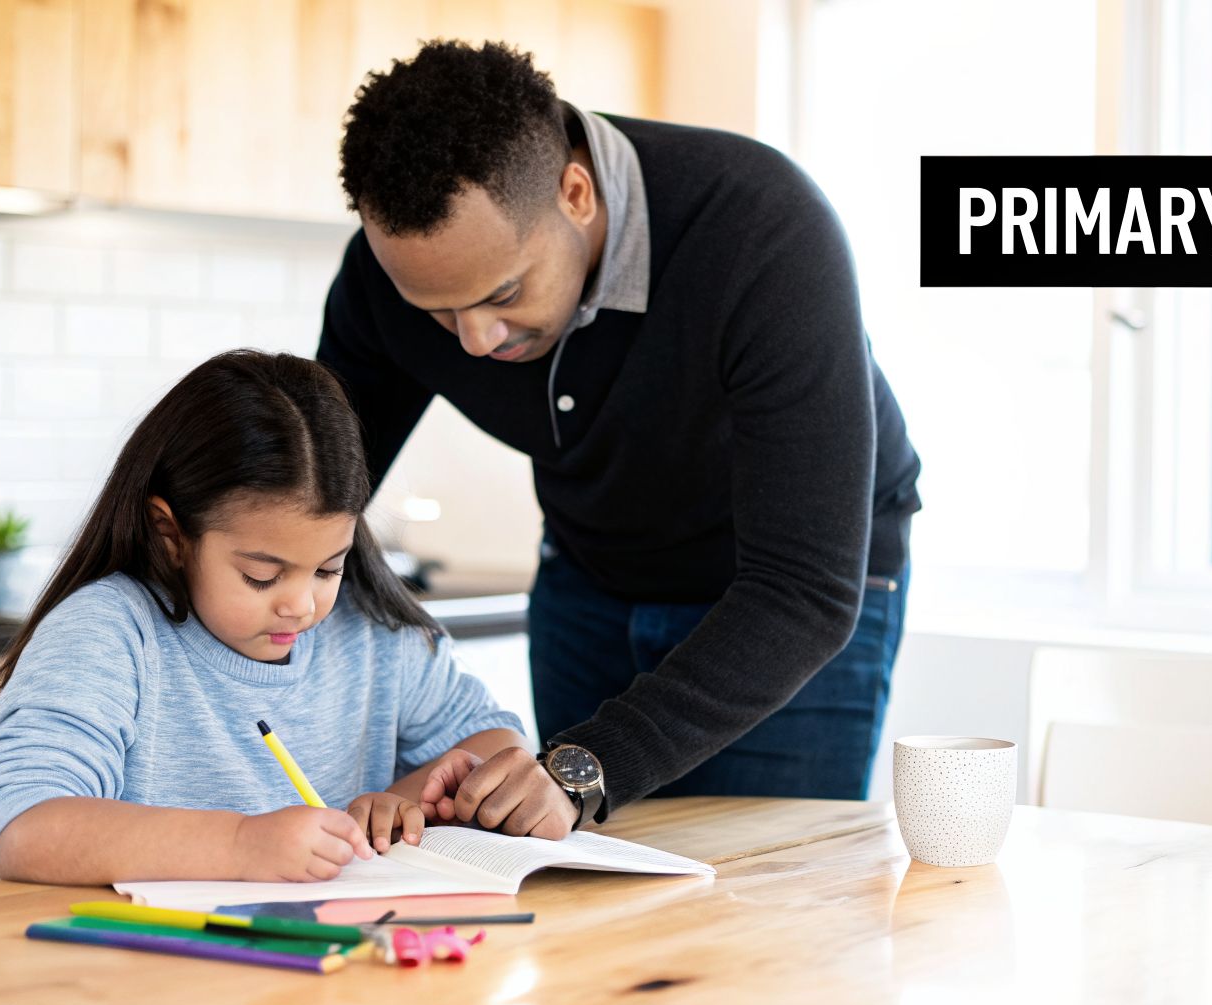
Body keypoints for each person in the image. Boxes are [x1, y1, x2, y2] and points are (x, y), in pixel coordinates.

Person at [317, 41, 923, 827]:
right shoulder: (384, 279)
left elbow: (806, 589)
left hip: (783, 599)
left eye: (503, 292)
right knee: (587, 889)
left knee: (768, 895)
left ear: (576, 194)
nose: (472, 340)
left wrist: (587, 767)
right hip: (591, 578)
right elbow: (315, 492)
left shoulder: (759, 229)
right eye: (437, 312)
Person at [0, 351, 574, 886]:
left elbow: (494, 744)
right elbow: (29, 829)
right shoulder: (111, 634)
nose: (302, 604)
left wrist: (400, 800)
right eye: (261, 576)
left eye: (327, 568)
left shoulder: (372, 636)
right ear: (171, 533)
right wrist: (240, 844)